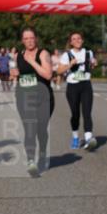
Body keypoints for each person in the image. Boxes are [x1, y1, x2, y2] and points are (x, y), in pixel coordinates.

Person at [14, 28, 55, 176]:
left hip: (43, 98)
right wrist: (16, 74)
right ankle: (31, 161)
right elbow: (20, 73)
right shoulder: (18, 55)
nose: (29, 41)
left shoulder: (43, 54)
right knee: (30, 128)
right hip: (25, 97)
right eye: (26, 38)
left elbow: (48, 74)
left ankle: (42, 152)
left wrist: (32, 61)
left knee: (41, 130)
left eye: (32, 38)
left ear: (36, 39)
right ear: (22, 40)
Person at [58, 31, 98, 150]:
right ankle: (75, 137)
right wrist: (70, 65)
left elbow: (93, 64)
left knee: (87, 113)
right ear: (71, 42)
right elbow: (59, 71)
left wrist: (94, 63)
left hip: (86, 85)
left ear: (82, 40)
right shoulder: (67, 55)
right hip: (73, 87)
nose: (77, 40)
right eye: (74, 39)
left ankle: (88, 138)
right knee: (75, 114)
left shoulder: (88, 52)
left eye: (79, 38)